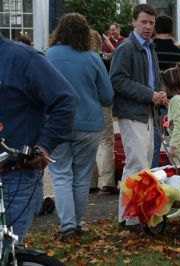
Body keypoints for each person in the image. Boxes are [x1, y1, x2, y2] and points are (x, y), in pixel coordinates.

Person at [0, 33, 78, 242]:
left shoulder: (22, 58)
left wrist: (44, 146)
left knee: (7, 249)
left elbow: (65, 100)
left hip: (13, 177)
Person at [46, 13, 114, 242]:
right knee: (82, 177)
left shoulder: (49, 56)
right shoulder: (93, 58)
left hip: (56, 124)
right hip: (89, 124)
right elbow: (107, 96)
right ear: (85, 33)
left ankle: (68, 228)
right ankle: (76, 223)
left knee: (61, 175)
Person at [109, 4, 166, 227]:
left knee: (142, 166)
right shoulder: (125, 48)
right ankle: (128, 217)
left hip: (147, 112)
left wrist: (161, 91)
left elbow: (156, 77)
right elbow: (117, 81)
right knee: (136, 164)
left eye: (151, 23)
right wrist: (150, 94)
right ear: (133, 22)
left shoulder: (149, 47)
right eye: (144, 22)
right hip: (132, 113)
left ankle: (134, 214)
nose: (148, 27)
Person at [151, 15, 180, 168]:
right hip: (177, 103)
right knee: (178, 142)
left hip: (152, 103)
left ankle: (154, 175)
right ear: (172, 29)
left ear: (155, 28)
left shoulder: (150, 51)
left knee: (154, 145)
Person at [88, 30, 118, 194]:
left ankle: (91, 182)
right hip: (103, 104)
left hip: (87, 105)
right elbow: (116, 55)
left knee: (89, 143)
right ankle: (108, 181)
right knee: (107, 142)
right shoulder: (104, 60)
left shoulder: (82, 60)